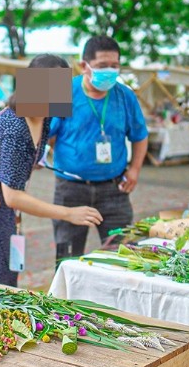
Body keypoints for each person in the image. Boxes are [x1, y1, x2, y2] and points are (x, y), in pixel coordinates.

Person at [0, 55, 102, 286]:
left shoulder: (45, 117)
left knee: (6, 279)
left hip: (4, 210)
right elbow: (13, 196)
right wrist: (68, 213)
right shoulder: (14, 129)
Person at [49, 36, 148, 262]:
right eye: (103, 65)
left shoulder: (125, 96)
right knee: (68, 258)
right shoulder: (63, 91)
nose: (110, 71)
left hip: (114, 189)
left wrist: (134, 170)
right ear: (84, 66)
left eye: (115, 65)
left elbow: (140, 136)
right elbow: (43, 133)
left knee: (123, 257)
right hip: (70, 189)